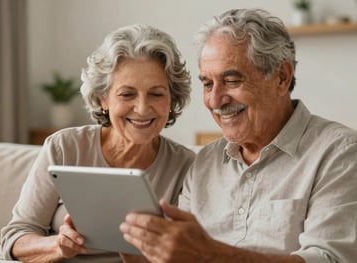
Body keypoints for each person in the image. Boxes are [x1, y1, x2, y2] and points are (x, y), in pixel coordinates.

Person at [119, 8, 357, 263]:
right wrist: (127, 239)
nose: (215, 100)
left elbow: (329, 259)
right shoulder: (204, 162)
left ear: (281, 77)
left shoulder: (339, 152)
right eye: (207, 84)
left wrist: (210, 256)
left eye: (232, 81)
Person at [0, 24, 195, 262]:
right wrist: (59, 245)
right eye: (127, 94)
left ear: (172, 99)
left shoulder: (185, 167)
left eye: (157, 94)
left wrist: (133, 247)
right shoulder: (64, 147)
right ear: (102, 99)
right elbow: (16, 237)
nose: (143, 108)